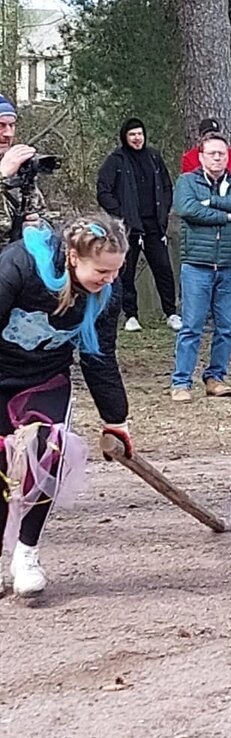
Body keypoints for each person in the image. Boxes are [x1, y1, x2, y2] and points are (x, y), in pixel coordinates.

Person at [0, 214, 132, 596]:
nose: (109, 279)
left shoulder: (108, 290)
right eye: (103, 270)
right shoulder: (19, 265)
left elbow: (99, 356)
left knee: (49, 450)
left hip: (44, 379)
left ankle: (27, 552)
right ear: (74, 257)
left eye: (116, 271)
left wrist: (116, 418)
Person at [170, 135, 231, 401]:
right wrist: (225, 217)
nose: (218, 158)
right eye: (212, 153)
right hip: (197, 264)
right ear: (202, 156)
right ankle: (181, 381)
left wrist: (213, 202)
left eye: (222, 153)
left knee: (227, 327)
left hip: (230, 265)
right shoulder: (187, 182)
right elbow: (187, 209)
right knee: (191, 326)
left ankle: (215, 377)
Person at [96, 117, 178, 332]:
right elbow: (104, 191)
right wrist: (120, 215)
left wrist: (164, 211)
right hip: (128, 227)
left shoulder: (153, 157)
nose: (137, 138)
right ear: (125, 136)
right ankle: (131, 316)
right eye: (132, 134)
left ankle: (171, 313)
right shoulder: (116, 160)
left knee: (163, 269)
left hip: (154, 225)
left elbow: (167, 187)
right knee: (126, 272)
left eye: (139, 133)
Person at [0, 95, 46, 245]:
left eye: (11, 125)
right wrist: (2, 176)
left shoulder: (17, 168)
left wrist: (39, 224)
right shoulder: (7, 168)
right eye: (1, 125)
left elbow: (42, 212)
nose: (8, 134)